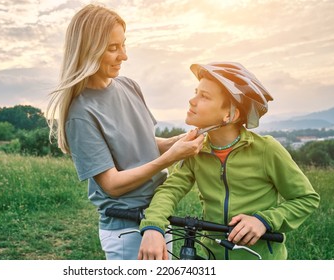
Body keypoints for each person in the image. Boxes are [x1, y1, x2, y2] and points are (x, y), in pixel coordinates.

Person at [46, 4, 204, 260]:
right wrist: (172, 157)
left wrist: (177, 141)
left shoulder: (129, 86)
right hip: (127, 229)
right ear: (89, 50)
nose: (124, 56)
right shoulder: (81, 113)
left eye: (123, 45)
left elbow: (140, 143)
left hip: (158, 216)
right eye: (113, 48)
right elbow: (112, 185)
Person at [138, 62, 320, 260]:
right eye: (196, 92)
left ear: (230, 115)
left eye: (204, 96)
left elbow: (306, 199)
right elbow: (170, 190)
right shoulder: (195, 150)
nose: (192, 100)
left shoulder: (266, 149)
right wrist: (153, 227)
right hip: (212, 256)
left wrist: (264, 221)